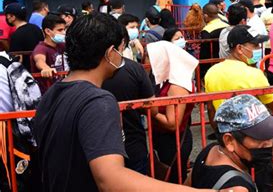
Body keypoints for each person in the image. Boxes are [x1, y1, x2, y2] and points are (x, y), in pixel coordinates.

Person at [33, 13, 205, 191]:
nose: (121, 57)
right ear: (109, 53)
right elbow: (111, 179)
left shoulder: (52, 94)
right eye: (120, 50)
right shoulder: (98, 102)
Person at [187, 94, 273, 192]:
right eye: (259, 138)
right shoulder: (238, 188)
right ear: (229, 141)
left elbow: (187, 185)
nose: (269, 144)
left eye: (270, 135)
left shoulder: (210, 150)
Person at [102, 26, 154, 175]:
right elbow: (152, 107)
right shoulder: (135, 69)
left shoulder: (82, 78)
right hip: (133, 145)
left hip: (102, 151)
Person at [147, 40, 198, 184]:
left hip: (173, 141)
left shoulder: (177, 85)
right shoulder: (169, 80)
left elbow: (172, 123)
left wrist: (152, 112)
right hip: (167, 139)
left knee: (174, 179)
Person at [31, 14, 69, 93]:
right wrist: (45, 68)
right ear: (48, 31)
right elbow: (39, 60)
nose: (64, 32)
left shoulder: (61, 45)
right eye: (60, 30)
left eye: (64, 29)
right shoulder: (40, 48)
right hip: (48, 93)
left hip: (62, 89)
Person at [5, 3, 43, 71]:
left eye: (7, 15)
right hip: (41, 70)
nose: (7, 18)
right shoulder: (36, 28)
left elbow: (18, 61)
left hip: (27, 74)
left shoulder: (16, 35)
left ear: (13, 17)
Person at [199, 3, 229, 78]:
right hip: (228, 61)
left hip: (213, 66)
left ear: (206, 16)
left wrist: (202, 73)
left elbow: (204, 54)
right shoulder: (227, 25)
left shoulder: (206, 31)